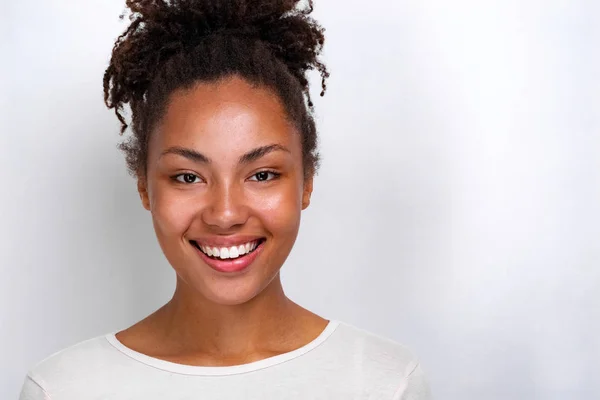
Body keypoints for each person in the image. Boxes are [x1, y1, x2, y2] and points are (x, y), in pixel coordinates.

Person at [19, 1, 432, 399]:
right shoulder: (64, 389)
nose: (226, 214)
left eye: (263, 174)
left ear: (306, 182)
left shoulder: (384, 383)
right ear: (145, 187)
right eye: (188, 177)